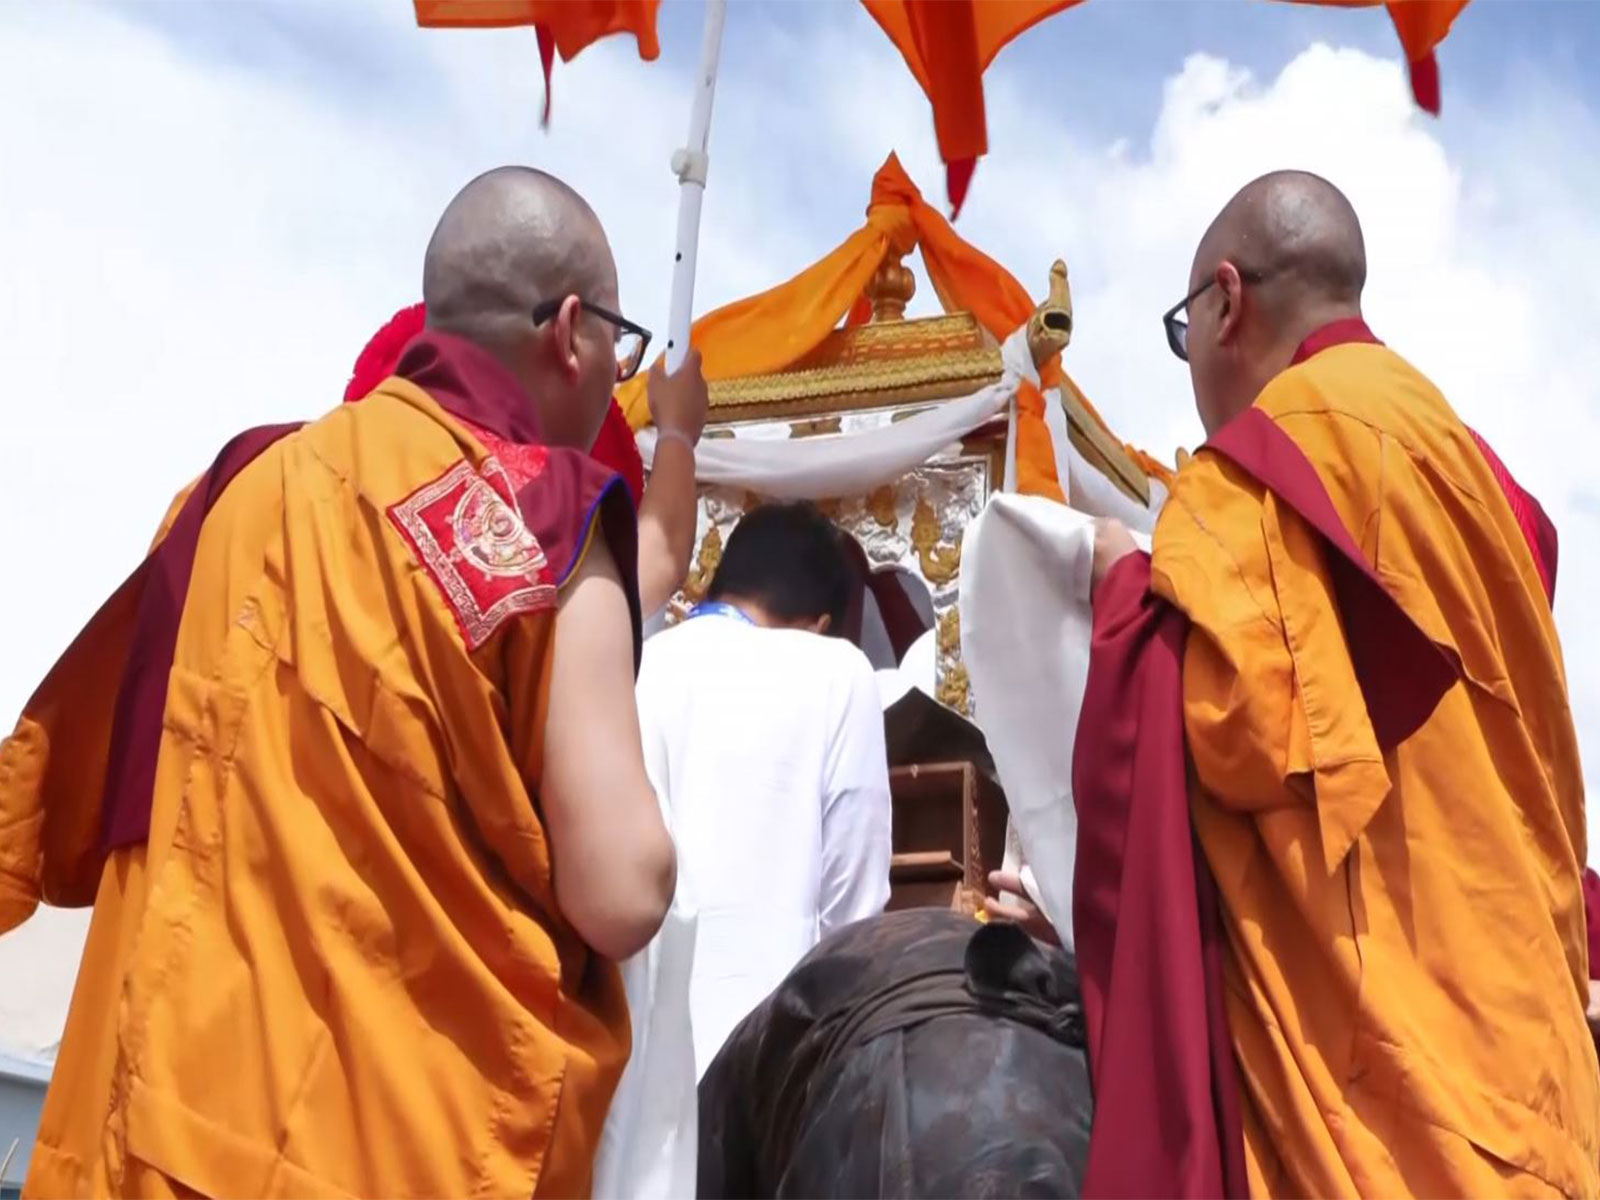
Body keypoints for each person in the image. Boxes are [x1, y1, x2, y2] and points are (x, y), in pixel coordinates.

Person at [0, 166, 677, 1198]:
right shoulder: (544, 521)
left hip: (157, 1125)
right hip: (381, 1152)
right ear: (573, 331)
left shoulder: (231, 489)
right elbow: (622, 890)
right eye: (620, 345)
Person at [1076, 170, 1597, 1197]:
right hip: (1532, 1063)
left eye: (1186, 329)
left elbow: (1243, 739)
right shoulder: (1473, 468)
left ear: (1226, 302)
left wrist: (1125, 592)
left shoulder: (1265, 468)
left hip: (1387, 1097)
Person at [633, 501, 893, 1078]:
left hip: (638, 1056)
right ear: (819, 622)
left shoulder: (638, 665)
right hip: (773, 1063)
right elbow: (853, 914)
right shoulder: (836, 671)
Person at [344, 301, 707, 617]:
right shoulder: (487, 533)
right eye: (613, 338)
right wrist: (676, 433)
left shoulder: (325, 474)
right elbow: (650, 565)